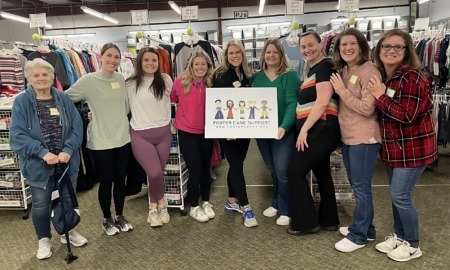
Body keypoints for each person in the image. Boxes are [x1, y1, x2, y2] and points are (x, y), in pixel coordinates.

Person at [367, 29, 437, 262]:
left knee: (400, 196)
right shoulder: (385, 76)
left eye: (398, 47)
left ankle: (413, 244)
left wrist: (380, 96)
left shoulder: (413, 77)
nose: (391, 51)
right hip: (393, 149)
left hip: (413, 149)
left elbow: (406, 115)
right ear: (379, 50)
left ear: (407, 51)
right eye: (386, 46)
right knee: (397, 195)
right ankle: (399, 235)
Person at [9, 59, 87, 259]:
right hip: (38, 164)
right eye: (36, 75)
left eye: (45, 75)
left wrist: (68, 150)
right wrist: (42, 152)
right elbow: (17, 135)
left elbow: (77, 126)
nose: (41, 78)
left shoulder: (62, 98)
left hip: (66, 161)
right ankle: (44, 239)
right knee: (42, 204)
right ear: (29, 79)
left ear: (53, 77)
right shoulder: (22, 101)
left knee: (67, 199)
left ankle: (67, 231)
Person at [66, 43, 133, 236]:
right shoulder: (88, 80)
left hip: (122, 137)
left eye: (116, 57)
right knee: (106, 181)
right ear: (101, 57)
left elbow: (125, 107)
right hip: (101, 140)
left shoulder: (121, 79)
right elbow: (65, 98)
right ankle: (107, 218)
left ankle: (120, 215)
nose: (113, 60)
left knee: (121, 179)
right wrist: (85, 113)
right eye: (109, 56)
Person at [329, 28, 382, 252]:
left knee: (361, 189)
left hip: (365, 139)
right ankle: (367, 229)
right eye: (343, 45)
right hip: (350, 137)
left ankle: (358, 235)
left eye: (352, 43)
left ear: (361, 46)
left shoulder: (369, 71)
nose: (348, 48)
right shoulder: (346, 70)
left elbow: (367, 108)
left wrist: (341, 91)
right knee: (358, 186)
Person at [286, 31, 341, 235]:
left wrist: (304, 131)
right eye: (303, 47)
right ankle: (329, 220)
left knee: (294, 171)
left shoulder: (325, 66)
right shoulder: (314, 69)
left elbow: (323, 101)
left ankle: (305, 222)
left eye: (311, 45)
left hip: (321, 129)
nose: (307, 49)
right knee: (322, 173)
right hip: (319, 129)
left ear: (320, 44)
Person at [251, 39, 301, 226]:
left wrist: (285, 126)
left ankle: (286, 209)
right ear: (263, 55)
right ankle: (276, 202)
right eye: (268, 52)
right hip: (262, 132)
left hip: (282, 132)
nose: (271, 55)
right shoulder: (256, 77)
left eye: (275, 52)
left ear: (281, 55)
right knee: (272, 168)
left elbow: (291, 104)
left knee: (282, 171)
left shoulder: (290, 76)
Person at [125, 47, 173, 227]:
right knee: (154, 173)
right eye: (146, 60)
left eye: (154, 60)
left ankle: (154, 209)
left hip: (163, 134)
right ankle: (161, 203)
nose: (150, 63)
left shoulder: (166, 80)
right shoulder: (129, 83)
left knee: (157, 175)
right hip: (140, 135)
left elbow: (175, 99)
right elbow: (122, 108)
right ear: (139, 62)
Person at [212, 39, 258, 227]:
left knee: (236, 165)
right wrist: (225, 129)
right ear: (226, 56)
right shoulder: (220, 75)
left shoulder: (248, 75)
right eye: (231, 53)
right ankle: (246, 208)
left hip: (244, 130)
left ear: (242, 54)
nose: (234, 56)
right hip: (227, 131)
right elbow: (217, 103)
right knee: (237, 166)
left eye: (237, 52)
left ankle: (231, 202)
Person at [170, 51, 215, 222]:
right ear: (191, 65)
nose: (200, 67)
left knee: (206, 168)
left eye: (203, 64)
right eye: (197, 64)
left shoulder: (211, 83)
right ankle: (194, 206)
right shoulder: (180, 82)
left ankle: (206, 201)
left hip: (208, 131)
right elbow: (172, 99)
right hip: (187, 132)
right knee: (195, 168)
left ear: (208, 66)